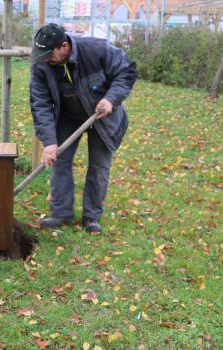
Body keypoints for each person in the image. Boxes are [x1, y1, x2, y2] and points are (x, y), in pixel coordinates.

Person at [29, 23, 136, 234]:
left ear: (64, 46)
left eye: (49, 53)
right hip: (68, 116)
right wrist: (49, 142)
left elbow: (127, 70)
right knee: (58, 160)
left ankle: (92, 216)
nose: (45, 59)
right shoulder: (42, 64)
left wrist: (111, 99)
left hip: (103, 115)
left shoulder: (96, 50)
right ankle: (61, 213)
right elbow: (40, 103)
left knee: (99, 167)